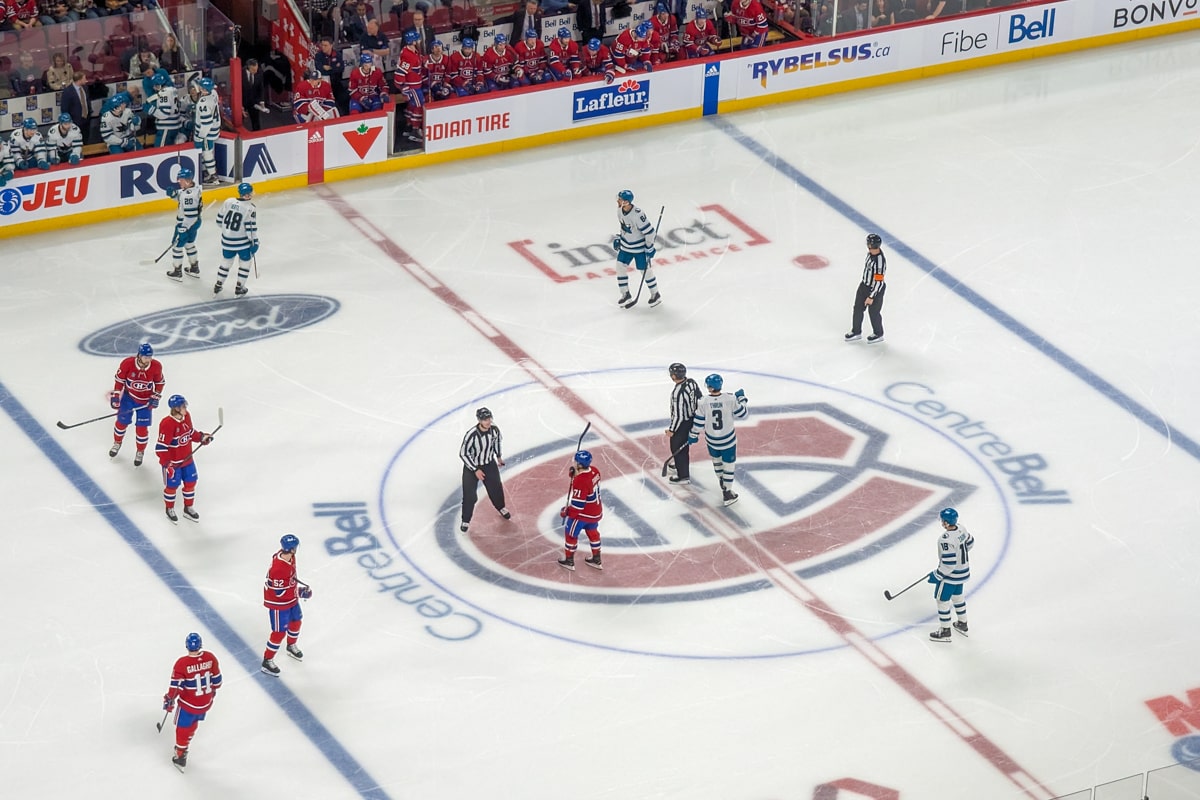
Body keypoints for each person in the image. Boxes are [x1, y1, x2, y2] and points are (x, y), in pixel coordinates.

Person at [162, 632, 222, 774]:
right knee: (193, 722)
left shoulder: (182, 663)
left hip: (189, 704)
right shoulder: (210, 657)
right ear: (200, 644)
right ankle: (187, 739)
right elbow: (218, 682)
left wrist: (169, 701)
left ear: (186, 646)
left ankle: (181, 755)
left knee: (182, 727)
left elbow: (175, 688)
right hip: (206, 702)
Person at [688, 373, 748, 506]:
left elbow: (698, 422)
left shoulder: (703, 401)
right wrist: (742, 398)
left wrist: (693, 435)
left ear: (709, 387)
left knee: (717, 463)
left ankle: (722, 481)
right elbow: (743, 414)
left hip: (712, 441)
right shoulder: (730, 399)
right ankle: (727, 492)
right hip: (728, 441)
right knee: (729, 465)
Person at [155, 394, 214, 523]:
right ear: (176, 408)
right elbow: (160, 448)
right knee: (172, 486)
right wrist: (167, 464)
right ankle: (169, 508)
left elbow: (190, 433)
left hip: (188, 461)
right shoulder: (167, 424)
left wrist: (202, 438)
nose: (185, 407)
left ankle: (188, 508)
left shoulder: (187, 416)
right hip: (174, 464)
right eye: (183, 406)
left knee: (191, 483)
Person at [261, 533, 311, 676]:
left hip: (290, 599)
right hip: (278, 604)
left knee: (296, 621)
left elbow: (290, 580)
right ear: (293, 549)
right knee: (278, 633)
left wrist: (296, 591)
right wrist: (300, 592)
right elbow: (279, 593)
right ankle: (267, 660)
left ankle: (291, 645)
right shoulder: (278, 568)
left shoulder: (290, 557)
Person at [107, 343, 165, 465]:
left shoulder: (156, 366)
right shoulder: (127, 363)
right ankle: (117, 443)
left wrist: (156, 396)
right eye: (145, 357)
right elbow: (119, 380)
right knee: (121, 423)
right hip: (128, 398)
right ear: (139, 355)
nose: (148, 359)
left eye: (150, 357)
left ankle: (140, 451)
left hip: (145, 402)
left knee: (142, 429)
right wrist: (116, 395)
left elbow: (159, 383)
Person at [458, 406, 510, 533]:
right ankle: (466, 520)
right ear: (479, 420)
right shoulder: (471, 435)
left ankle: (501, 507)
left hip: (488, 464)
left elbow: (497, 442)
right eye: (485, 419)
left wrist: (498, 456)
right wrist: (475, 469)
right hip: (472, 467)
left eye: (489, 418)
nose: (488, 421)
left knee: (496, 488)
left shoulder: (494, 430)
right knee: (469, 496)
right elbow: (463, 453)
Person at [927, 507, 974, 642]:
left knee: (942, 601)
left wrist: (937, 575)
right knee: (958, 598)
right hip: (963, 573)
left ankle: (945, 631)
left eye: (943, 520)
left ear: (946, 522)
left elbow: (949, 564)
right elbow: (970, 543)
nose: (942, 522)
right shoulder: (961, 528)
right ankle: (962, 623)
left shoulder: (945, 539)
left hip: (950, 577)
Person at [613, 188, 661, 307]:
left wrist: (649, 247)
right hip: (625, 247)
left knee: (645, 271)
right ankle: (625, 294)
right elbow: (624, 227)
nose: (618, 201)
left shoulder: (638, 214)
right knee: (620, 267)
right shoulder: (619, 210)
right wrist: (619, 238)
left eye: (620, 199)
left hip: (639, 249)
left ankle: (655, 294)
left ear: (626, 202)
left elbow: (650, 232)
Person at [558, 449, 602, 571]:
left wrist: (566, 512)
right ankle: (597, 559)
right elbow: (586, 483)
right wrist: (574, 475)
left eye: (576, 462)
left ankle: (569, 561)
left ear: (580, 464)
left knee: (571, 534)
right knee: (593, 533)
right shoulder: (595, 471)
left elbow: (578, 506)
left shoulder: (580, 481)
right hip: (595, 512)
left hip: (583, 515)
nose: (574, 463)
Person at [213, 182, 258, 297]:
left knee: (226, 262)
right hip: (242, 243)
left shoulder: (229, 201)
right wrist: (255, 242)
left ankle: (218, 284)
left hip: (227, 241)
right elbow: (250, 229)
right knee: (245, 263)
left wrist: (228, 232)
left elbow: (219, 220)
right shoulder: (250, 208)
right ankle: (239, 287)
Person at [844, 232, 886, 343]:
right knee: (857, 308)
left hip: (875, 290)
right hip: (864, 285)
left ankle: (878, 333)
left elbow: (879, 281)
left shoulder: (880, 262)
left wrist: (871, 296)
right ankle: (856, 331)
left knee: (874, 312)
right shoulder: (869, 254)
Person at [664, 362, 702, 485]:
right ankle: (680, 465)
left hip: (682, 424)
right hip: (691, 419)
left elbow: (679, 415)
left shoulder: (677, 393)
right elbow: (700, 398)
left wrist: (672, 430)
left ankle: (683, 476)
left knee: (677, 448)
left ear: (674, 376)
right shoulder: (691, 382)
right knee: (683, 449)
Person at [165, 167, 202, 282]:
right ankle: (194, 268)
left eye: (181, 180)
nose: (179, 182)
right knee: (189, 244)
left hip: (186, 223)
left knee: (177, 246)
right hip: (196, 222)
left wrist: (183, 228)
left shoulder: (188, 195)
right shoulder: (195, 188)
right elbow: (182, 196)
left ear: (188, 180)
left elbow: (190, 215)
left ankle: (177, 271)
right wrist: (173, 195)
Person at [394, 30, 425, 139]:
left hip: (414, 85)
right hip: (413, 86)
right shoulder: (408, 55)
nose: (419, 40)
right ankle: (415, 130)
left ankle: (409, 126)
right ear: (413, 41)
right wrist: (404, 88)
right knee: (418, 106)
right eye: (417, 39)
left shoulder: (411, 51)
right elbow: (399, 73)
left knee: (412, 106)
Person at [192, 77, 221, 185]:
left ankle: (213, 176)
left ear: (203, 89)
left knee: (207, 152)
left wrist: (200, 136)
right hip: (215, 128)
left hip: (207, 132)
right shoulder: (213, 94)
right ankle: (209, 173)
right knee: (209, 151)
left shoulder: (203, 103)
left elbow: (206, 123)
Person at [147, 72, 185, 147]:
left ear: (158, 84)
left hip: (166, 128)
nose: (154, 88)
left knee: (160, 152)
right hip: (175, 126)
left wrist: (151, 109)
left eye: (155, 85)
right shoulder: (172, 90)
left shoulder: (164, 93)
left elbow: (164, 114)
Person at [314, 37, 348, 115]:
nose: (323, 47)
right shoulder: (319, 55)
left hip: (335, 81)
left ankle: (344, 116)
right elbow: (319, 69)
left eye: (325, 45)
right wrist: (331, 69)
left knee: (344, 97)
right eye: (322, 45)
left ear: (331, 45)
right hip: (323, 82)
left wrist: (329, 68)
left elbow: (341, 69)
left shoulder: (337, 54)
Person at [61, 71, 95, 144]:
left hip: (86, 119)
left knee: (86, 139)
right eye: (84, 78)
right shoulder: (67, 91)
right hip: (75, 121)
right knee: (76, 141)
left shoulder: (85, 88)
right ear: (79, 80)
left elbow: (87, 100)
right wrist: (68, 122)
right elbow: (64, 108)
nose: (86, 80)